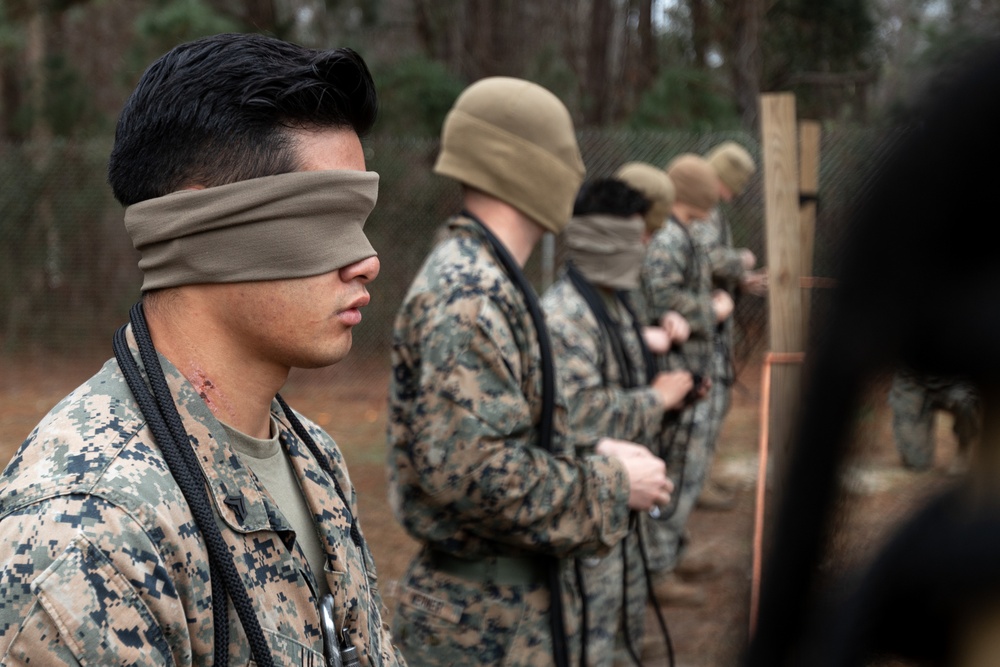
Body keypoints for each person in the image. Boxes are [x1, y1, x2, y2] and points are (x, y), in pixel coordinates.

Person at [0, 33, 402, 666]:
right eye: (326, 222)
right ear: (199, 229)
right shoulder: (87, 541)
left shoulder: (314, 460)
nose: (368, 261)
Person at [386, 77, 674, 667]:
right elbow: (475, 474)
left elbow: (499, 436)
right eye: (565, 156)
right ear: (526, 165)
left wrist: (589, 447)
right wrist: (614, 486)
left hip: (508, 608)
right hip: (483, 628)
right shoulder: (470, 295)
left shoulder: (489, 279)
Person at [541, 175, 693, 665]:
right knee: (591, 643)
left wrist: (675, 397)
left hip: (623, 515)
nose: (644, 250)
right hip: (588, 516)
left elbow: (625, 380)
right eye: (634, 239)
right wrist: (655, 400)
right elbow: (574, 413)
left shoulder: (615, 303)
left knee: (622, 637)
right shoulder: (565, 316)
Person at [639, 153, 723, 609]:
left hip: (690, 369)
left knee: (684, 471)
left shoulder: (684, 233)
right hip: (673, 369)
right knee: (674, 468)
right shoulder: (669, 237)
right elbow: (661, 298)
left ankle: (670, 553)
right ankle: (659, 567)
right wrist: (713, 309)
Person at [691, 140, 766, 511]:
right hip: (699, 325)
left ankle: (702, 474)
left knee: (717, 403)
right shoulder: (700, 205)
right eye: (733, 186)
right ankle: (694, 482)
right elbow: (706, 258)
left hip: (713, 321)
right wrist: (741, 261)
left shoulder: (710, 205)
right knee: (705, 404)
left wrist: (742, 281)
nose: (734, 195)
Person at [887, 370, 980, 473]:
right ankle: (914, 452)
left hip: (955, 378)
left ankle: (964, 445)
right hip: (912, 379)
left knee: (966, 401)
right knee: (916, 464)